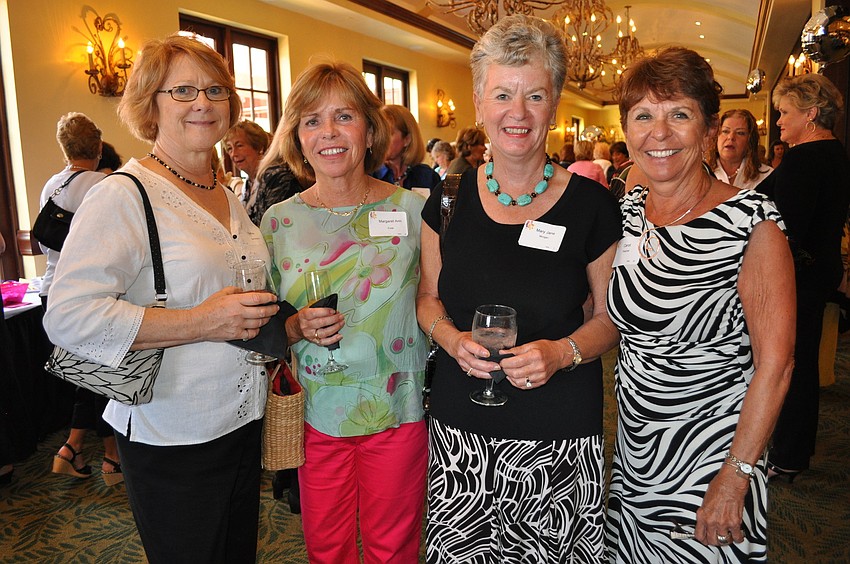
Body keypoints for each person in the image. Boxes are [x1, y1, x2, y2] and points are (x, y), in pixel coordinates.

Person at [43, 35, 279, 563]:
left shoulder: (226, 192)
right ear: (151, 103)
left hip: (241, 420)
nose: (204, 102)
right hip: (171, 430)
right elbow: (67, 316)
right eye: (184, 90)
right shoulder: (123, 195)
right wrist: (199, 322)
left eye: (216, 89)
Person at [417, 15, 621, 562]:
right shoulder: (447, 198)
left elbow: (609, 319)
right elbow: (428, 298)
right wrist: (449, 337)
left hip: (560, 427)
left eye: (535, 95)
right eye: (503, 94)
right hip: (464, 427)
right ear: (479, 103)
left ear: (554, 106)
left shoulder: (591, 205)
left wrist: (562, 351)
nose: (519, 112)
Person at [605, 46, 795, 563]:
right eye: (643, 116)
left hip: (713, 455)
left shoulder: (751, 221)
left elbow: (776, 366)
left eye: (679, 115)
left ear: (708, 129)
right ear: (626, 128)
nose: (658, 134)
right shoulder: (629, 214)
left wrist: (735, 477)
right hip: (636, 454)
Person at [260, 61, 428, 563]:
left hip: (397, 407)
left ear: (370, 129)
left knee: (393, 548)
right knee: (326, 549)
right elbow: (262, 321)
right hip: (316, 413)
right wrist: (293, 325)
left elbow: (437, 299)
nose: (328, 133)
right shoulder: (278, 220)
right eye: (311, 120)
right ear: (297, 136)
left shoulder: (415, 211)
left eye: (343, 117)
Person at [757, 73, 850, 481]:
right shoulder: (835, 154)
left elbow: (784, 228)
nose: (778, 122)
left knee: (786, 363)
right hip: (819, 269)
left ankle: (787, 453)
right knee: (801, 362)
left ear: (811, 114)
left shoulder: (804, 159)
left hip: (795, 276)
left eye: (785, 112)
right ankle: (793, 451)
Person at [36, 113, 119, 484]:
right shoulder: (100, 184)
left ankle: (79, 450)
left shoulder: (52, 184)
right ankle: (103, 457)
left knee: (87, 377)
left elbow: (44, 242)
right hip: (89, 294)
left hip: (52, 291)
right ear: (99, 147)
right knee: (98, 376)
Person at [372, 104, 440, 191]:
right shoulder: (369, 177)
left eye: (388, 134)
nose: (381, 140)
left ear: (407, 139)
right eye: (379, 134)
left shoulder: (428, 177)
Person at [248, 127, 305, 226]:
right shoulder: (280, 176)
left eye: (239, 146)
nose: (233, 154)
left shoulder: (274, 173)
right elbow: (275, 227)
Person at [708, 109, 773, 190]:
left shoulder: (767, 176)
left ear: (750, 140)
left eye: (740, 133)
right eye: (725, 131)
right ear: (716, 137)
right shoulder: (701, 173)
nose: (731, 137)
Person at [224, 120, 270, 209]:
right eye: (230, 148)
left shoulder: (272, 178)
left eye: (239, 146)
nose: (234, 154)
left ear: (259, 147)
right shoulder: (248, 184)